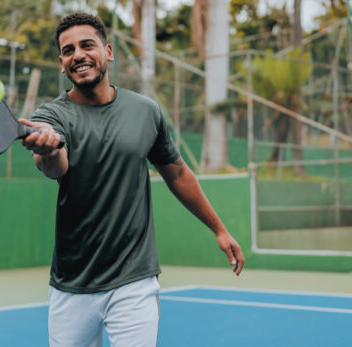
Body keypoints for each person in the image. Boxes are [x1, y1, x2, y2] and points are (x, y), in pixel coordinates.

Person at [18, 12, 245, 347]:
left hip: (133, 279)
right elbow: (54, 167)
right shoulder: (50, 117)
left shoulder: (146, 112)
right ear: (62, 63)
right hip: (72, 283)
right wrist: (49, 148)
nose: (78, 54)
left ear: (108, 52)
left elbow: (178, 173)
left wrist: (219, 228)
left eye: (87, 45)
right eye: (68, 51)